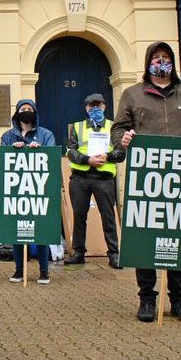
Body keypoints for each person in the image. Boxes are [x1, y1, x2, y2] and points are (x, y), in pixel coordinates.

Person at [111, 41, 181, 324]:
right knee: (145, 238)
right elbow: (118, 130)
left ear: (173, 62)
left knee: (180, 238)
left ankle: (179, 299)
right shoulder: (132, 95)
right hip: (146, 180)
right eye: (156, 58)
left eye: (166, 58)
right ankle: (147, 298)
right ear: (149, 63)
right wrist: (123, 140)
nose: (161, 62)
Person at [64, 93, 125, 269]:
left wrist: (107, 156)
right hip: (80, 177)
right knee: (79, 216)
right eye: (91, 105)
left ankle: (114, 254)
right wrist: (87, 160)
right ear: (86, 108)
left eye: (98, 105)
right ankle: (79, 253)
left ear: (105, 106)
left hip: (104, 178)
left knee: (108, 217)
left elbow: (121, 154)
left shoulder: (114, 127)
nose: (95, 108)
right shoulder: (77, 127)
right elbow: (70, 151)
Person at [1, 99, 55, 285]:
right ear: (17, 113)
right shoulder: (8, 136)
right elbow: (2, 158)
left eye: (29, 109)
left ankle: (44, 271)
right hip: (17, 191)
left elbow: (52, 157)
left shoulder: (46, 134)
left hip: (39, 189)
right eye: (22, 109)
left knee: (42, 231)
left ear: (35, 112)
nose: (26, 112)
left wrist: (41, 151)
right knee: (18, 232)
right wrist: (11, 150)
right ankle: (19, 270)